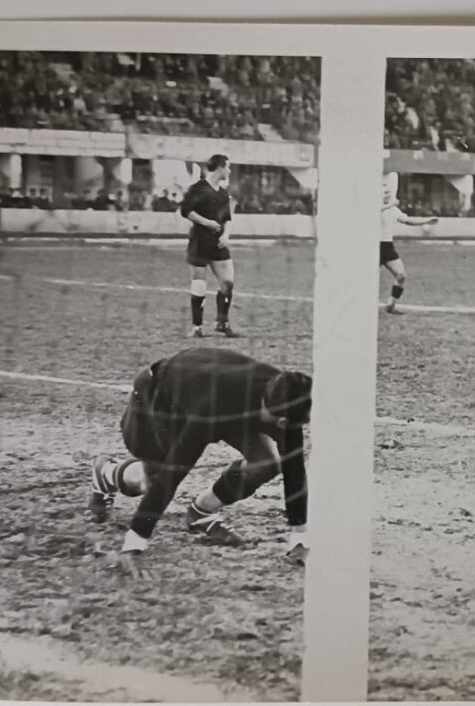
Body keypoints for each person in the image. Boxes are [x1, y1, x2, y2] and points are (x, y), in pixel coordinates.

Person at [88, 347, 312, 571]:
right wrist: (133, 546)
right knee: (151, 480)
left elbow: (294, 470)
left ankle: (201, 512)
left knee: (265, 464)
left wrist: (299, 538)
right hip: (161, 394)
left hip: (224, 395)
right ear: (281, 420)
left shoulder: (288, 396)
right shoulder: (213, 408)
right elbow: (171, 476)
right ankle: (106, 473)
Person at [180, 155, 239, 337]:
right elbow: (186, 211)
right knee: (199, 284)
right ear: (220, 167)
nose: (229, 171)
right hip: (200, 242)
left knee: (228, 283)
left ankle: (222, 322)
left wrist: (226, 235)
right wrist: (207, 222)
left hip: (218, 243)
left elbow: (227, 218)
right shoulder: (197, 189)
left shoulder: (222, 192)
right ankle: (197, 328)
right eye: (227, 167)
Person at [380, 183, 438, 314]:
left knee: (401, 276)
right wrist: (390, 204)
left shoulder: (393, 210)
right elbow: (376, 210)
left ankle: (391, 305)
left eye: (389, 192)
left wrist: (426, 221)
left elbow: (408, 220)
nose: (388, 195)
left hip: (387, 246)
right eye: (385, 192)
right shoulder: (376, 207)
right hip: (373, 247)